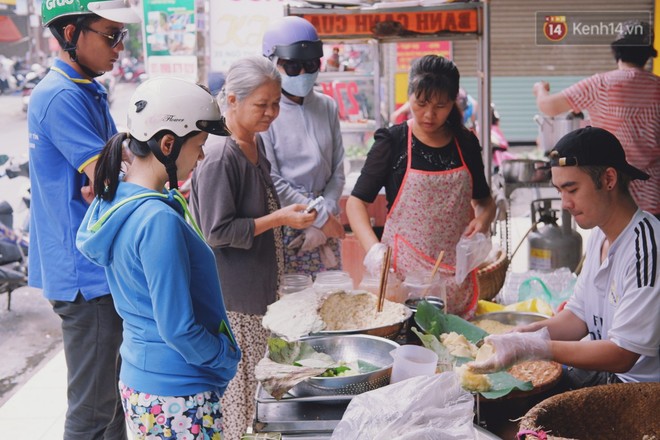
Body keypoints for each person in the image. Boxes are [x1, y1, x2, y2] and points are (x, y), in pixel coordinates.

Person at [76, 77, 241, 438]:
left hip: (143, 380)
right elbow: (178, 328)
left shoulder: (115, 198)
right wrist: (226, 357)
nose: (201, 156)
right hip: (177, 391)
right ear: (168, 143)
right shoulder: (157, 220)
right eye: (198, 145)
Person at [469, 127, 659, 387]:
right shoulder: (599, 236)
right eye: (559, 191)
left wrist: (534, 348)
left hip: (637, 392)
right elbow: (578, 315)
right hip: (608, 376)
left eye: (572, 189)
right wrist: (525, 335)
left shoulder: (646, 248)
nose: (564, 203)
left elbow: (622, 354)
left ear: (609, 179)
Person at [188, 56, 317, 440]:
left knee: (255, 400)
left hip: (258, 296)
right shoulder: (220, 154)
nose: (272, 112)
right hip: (234, 302)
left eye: (276, 103)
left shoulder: (251, 144)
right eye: (262, 104)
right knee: (239, 402)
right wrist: (280, 220)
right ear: (231, 100)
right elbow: (217, 231)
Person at [28, 1, 139, 438]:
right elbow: (111, 178)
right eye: (111, 35)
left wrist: (114, 177)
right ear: (72, 34)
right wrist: (115, 178)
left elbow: (112, 176)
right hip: (84, 277)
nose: (119, 48)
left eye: (122, 37)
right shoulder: (62, 96)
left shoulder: (85, 89)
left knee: (111, 405)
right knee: (92, 411)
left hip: (96, 270)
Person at [346, 55, 496, 318]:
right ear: (409, 96)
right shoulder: (392, 142)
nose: (429, 114)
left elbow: (484, 200)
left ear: (453, 102)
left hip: (455, 277)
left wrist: (483, 221)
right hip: (402, 277)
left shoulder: (466, 142)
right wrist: (374, 251)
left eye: (441, 105)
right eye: (421, 103)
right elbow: (356, 203)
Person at [532, 21, 659, 218]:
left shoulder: (601, 84)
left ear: (616, 50)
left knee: (612, 247)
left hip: (611, 196)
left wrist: (540, 89)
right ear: (647, 55)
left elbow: (548, 106)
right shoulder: (657, 86)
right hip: (654, 197)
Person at [261, 16, 346, 277]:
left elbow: (338, 170)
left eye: (311, 65)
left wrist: (325, 212)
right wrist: (317, 217)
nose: (304, 73)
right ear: (272, 63)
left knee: (330, 305)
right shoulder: (266, 113)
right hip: (288, 222)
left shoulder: (327, 106)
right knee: (293, 305)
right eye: (293, 66)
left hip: (327, 221)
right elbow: (273, 180)